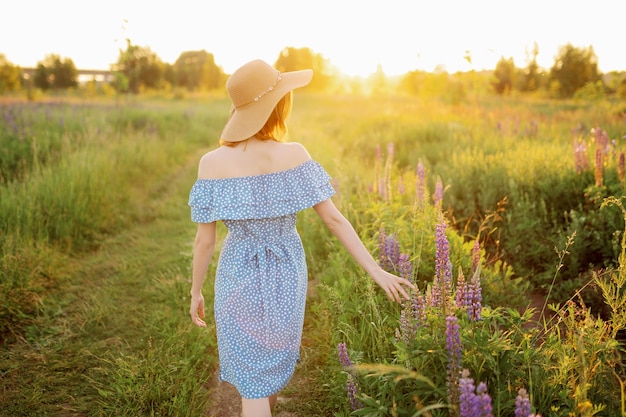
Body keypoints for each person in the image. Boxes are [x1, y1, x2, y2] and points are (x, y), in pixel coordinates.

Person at [188, 59, 414, 417]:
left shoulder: (211, 163)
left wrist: (195, 290)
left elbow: (204, 243)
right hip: (285, 276)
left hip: (236, 276)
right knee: (264, 382)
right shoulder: (294, 155)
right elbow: (335, 221)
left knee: (255, 383)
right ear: (278, 105)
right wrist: (377, 270)